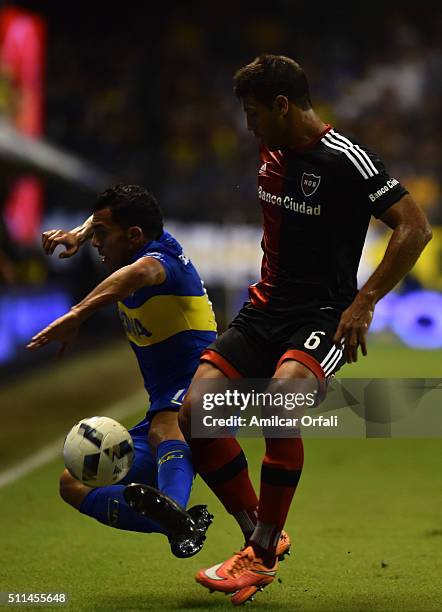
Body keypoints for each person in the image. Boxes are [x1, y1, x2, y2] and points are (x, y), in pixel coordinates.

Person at [174, 55, 432, 605]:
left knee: (278, 402)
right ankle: (257, 535)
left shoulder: (346, 157)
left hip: (324, 317)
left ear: (283, 106)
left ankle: (261, 556)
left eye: (253, 113)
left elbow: (415, 226)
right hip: (265, 309)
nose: (248, 126)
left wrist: (363, 304)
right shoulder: (272, 147)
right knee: (194, 414)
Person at [26, 183, 218, 557]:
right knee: (73, 484)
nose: (97, 244)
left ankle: (174, 511)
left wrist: (77, 313)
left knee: (166, 428)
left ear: (133, 236)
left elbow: (134, 275)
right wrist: (81, 233)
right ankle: (180, 524)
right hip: (164, 403)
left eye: (101, 235)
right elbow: (117, 217)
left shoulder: (159, 263)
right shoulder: (136, 240)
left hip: (205, 391)